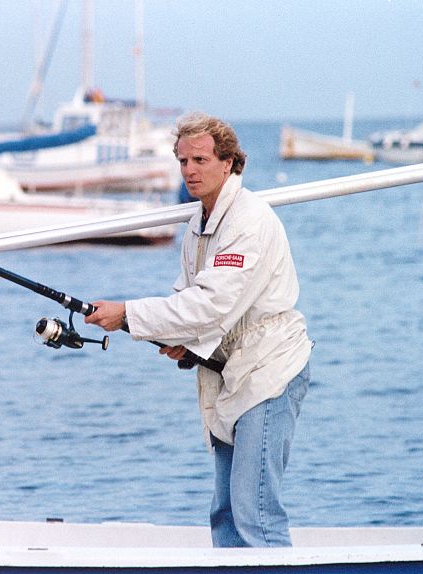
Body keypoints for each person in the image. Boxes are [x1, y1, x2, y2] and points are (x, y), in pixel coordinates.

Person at [84, 112, 312, 548]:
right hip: (229, 373)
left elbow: (210, 306)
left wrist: (128, 314)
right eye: (183, 161)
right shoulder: (198, 223)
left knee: (256, 513)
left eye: (200, 160)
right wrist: (184, 347)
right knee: (224, 513)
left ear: (228, 163)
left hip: (269, 372)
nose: (190, 170)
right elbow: (185, 300)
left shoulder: (247, 220)